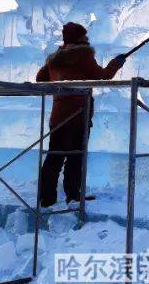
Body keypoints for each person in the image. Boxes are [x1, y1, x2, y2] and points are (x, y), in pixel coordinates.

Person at [36, 22, 126, 207]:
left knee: (55, 157)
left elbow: (40, 78)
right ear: (80, 38)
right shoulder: (83, 55)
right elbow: (102, 76)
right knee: (76, 157)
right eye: (85, 36)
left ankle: (46, 198)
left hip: (59, 115)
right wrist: (115, 64)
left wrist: (61, 79)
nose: (88, 39)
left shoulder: (55, 58)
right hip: (78, 115)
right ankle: (73, 194)